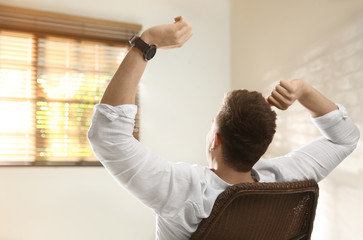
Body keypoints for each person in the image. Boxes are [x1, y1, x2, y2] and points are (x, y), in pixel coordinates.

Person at [87, 17, 360, 240]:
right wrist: (303, 90)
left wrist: (146, 43)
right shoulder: (283, 178)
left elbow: (107, 135)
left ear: (214, 140)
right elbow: (345, 138)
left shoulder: (183, 191)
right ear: (262, 145)